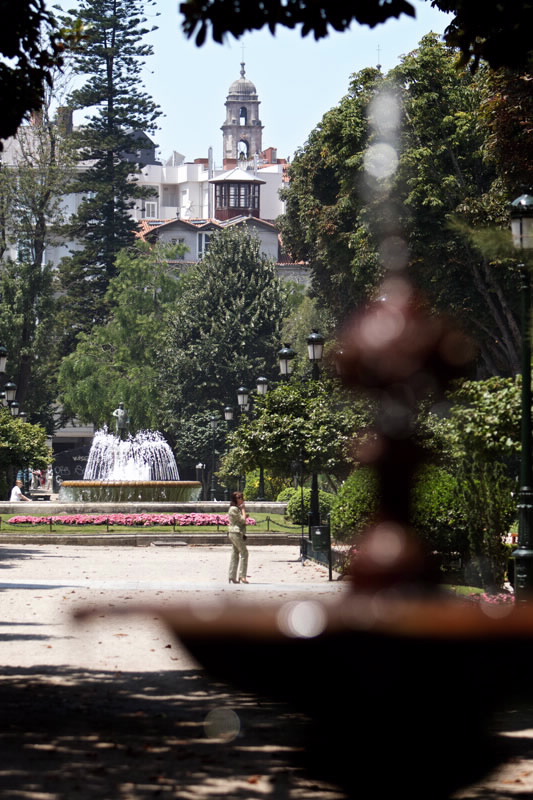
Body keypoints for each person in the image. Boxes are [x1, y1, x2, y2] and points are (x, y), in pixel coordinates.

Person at [228, 491, 249, 584]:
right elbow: (243, 520)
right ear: (235, 499)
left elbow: (240, 519)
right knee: (244, 553)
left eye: (242, 497)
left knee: (235, 553)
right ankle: (242, 576)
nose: (242, 499)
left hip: (235, 532)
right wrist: (243, 510)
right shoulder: (234, 509)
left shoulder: (236, 509)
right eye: (239, 498)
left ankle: (232, 576)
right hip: (236, 532)